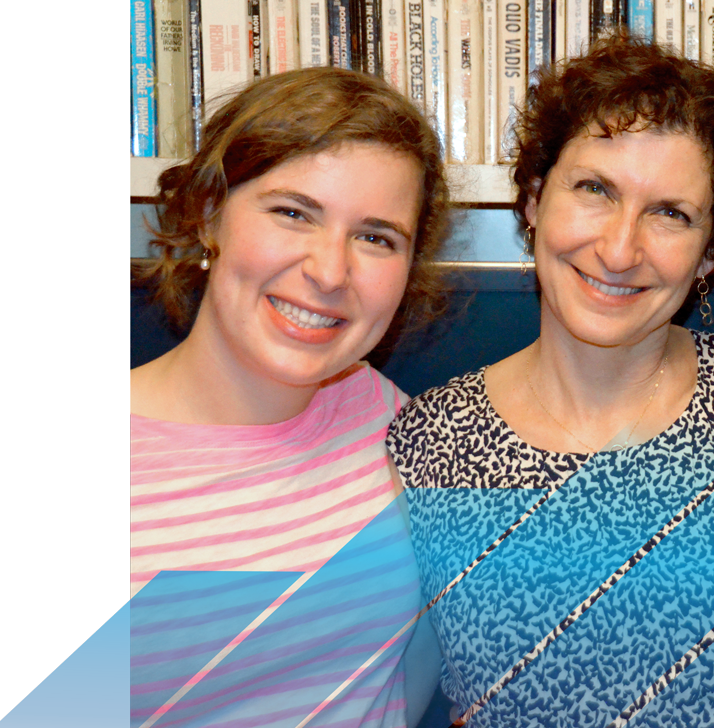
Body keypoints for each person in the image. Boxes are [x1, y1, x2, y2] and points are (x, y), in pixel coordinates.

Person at [388, 34, 714, 727]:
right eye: (594, 189)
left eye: (671, 214)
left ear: (709, 253)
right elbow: (387, 694)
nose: (618, 249)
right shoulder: (428, 441)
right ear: (531, 199)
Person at [130, 67, 447, 728]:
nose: (330, 272)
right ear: (209, 212)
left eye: (375, 237)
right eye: (293, 212)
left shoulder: (385, 415)